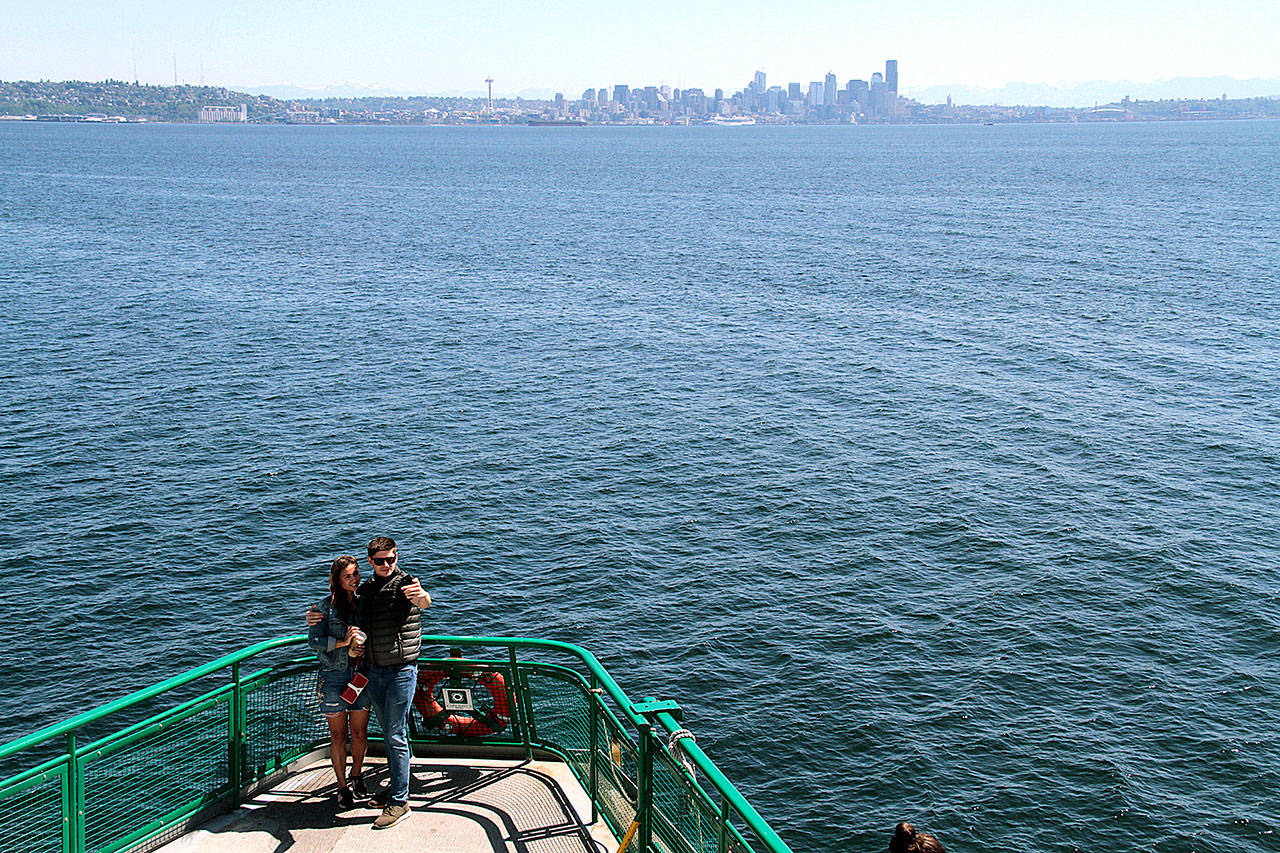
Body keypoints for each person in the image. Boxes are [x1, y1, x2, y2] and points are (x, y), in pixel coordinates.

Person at [306, 555, 370, 810]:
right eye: (347, 576)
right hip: (333, 676)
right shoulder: (322, 609)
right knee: (337, 734)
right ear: (336, 580)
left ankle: (357, 774)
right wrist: (343, 643)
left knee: (359, 733)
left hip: (359, 676)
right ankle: (341, 785)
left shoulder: (363, 604)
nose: (354, 580)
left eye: (355, 574)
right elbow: (313, 642)